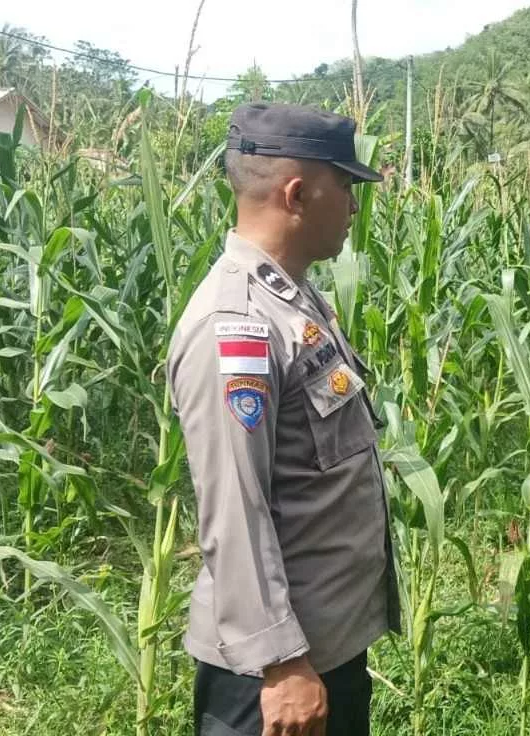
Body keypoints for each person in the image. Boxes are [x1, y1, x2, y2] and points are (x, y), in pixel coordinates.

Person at [167, 102, 400, 736]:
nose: (354, 205)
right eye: (346, 185)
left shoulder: (293, 299)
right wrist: (281, 663)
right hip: (274, 680)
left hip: (324, 650)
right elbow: (234, 508)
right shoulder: (235, 324)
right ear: (297, 193)